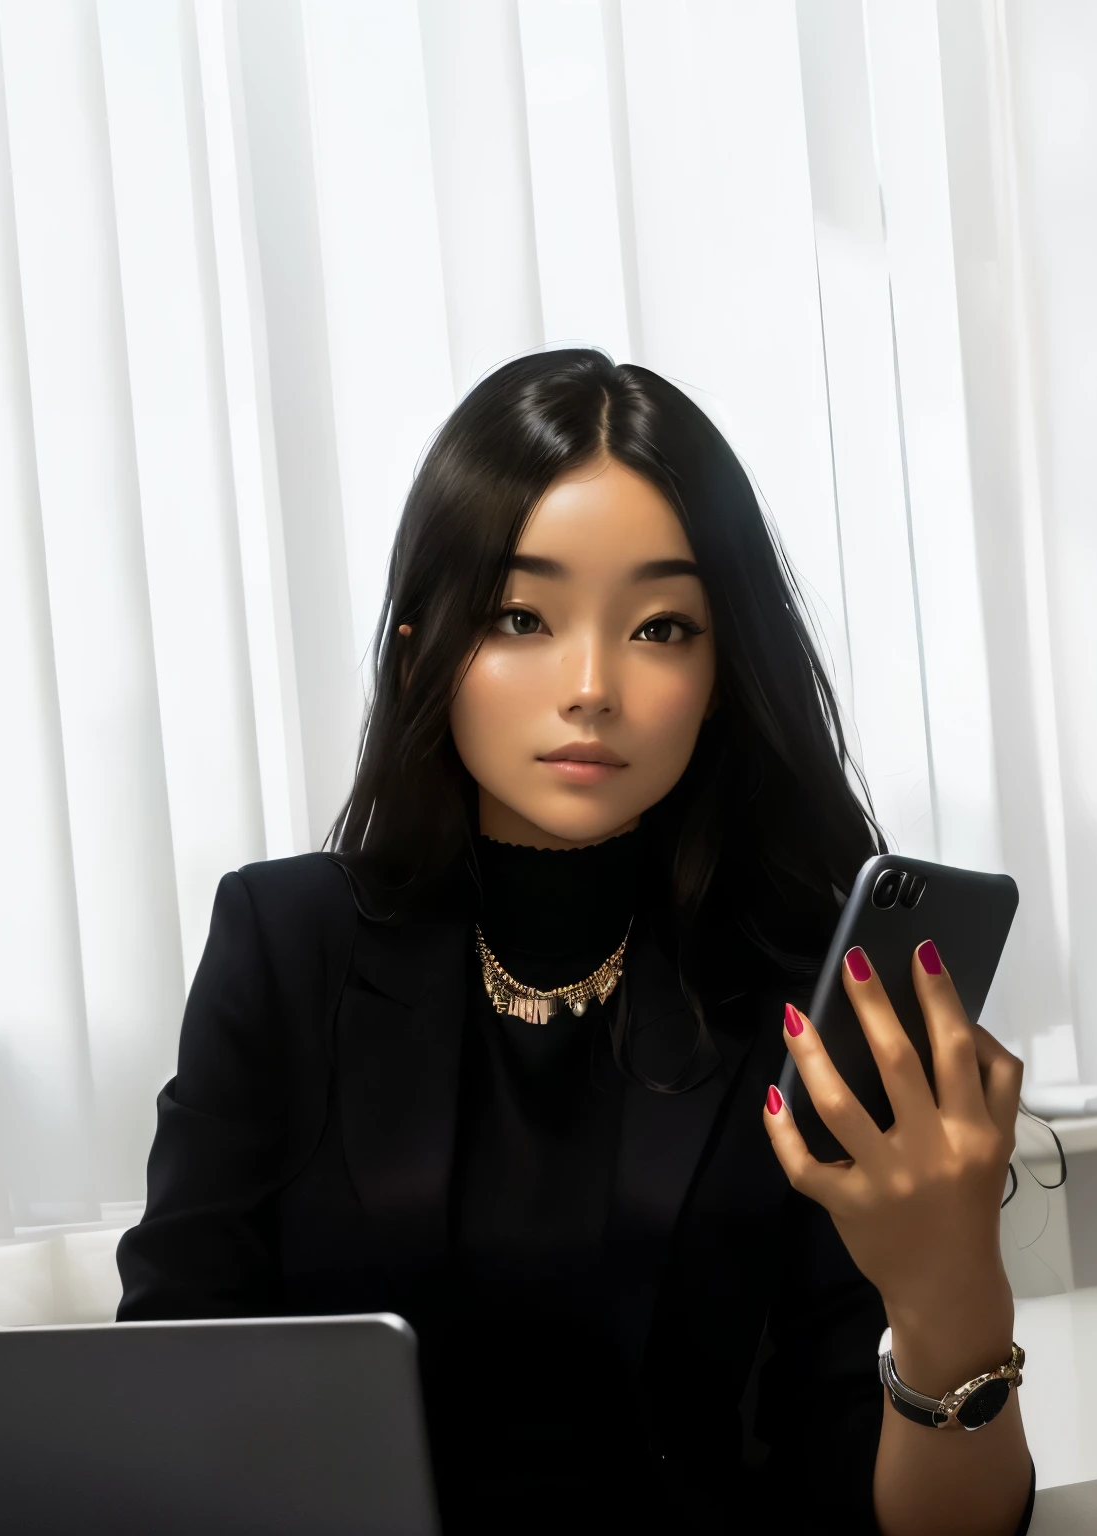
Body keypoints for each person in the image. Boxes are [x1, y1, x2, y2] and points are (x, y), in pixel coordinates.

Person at [116, 350, 1034, 1534]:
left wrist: (951, 1290)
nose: (591, 684)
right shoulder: (283, 946)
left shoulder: (804, 995)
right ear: (421, 649)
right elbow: (165, 1400)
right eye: (521, 616)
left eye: (660, 627)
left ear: (721, 671)